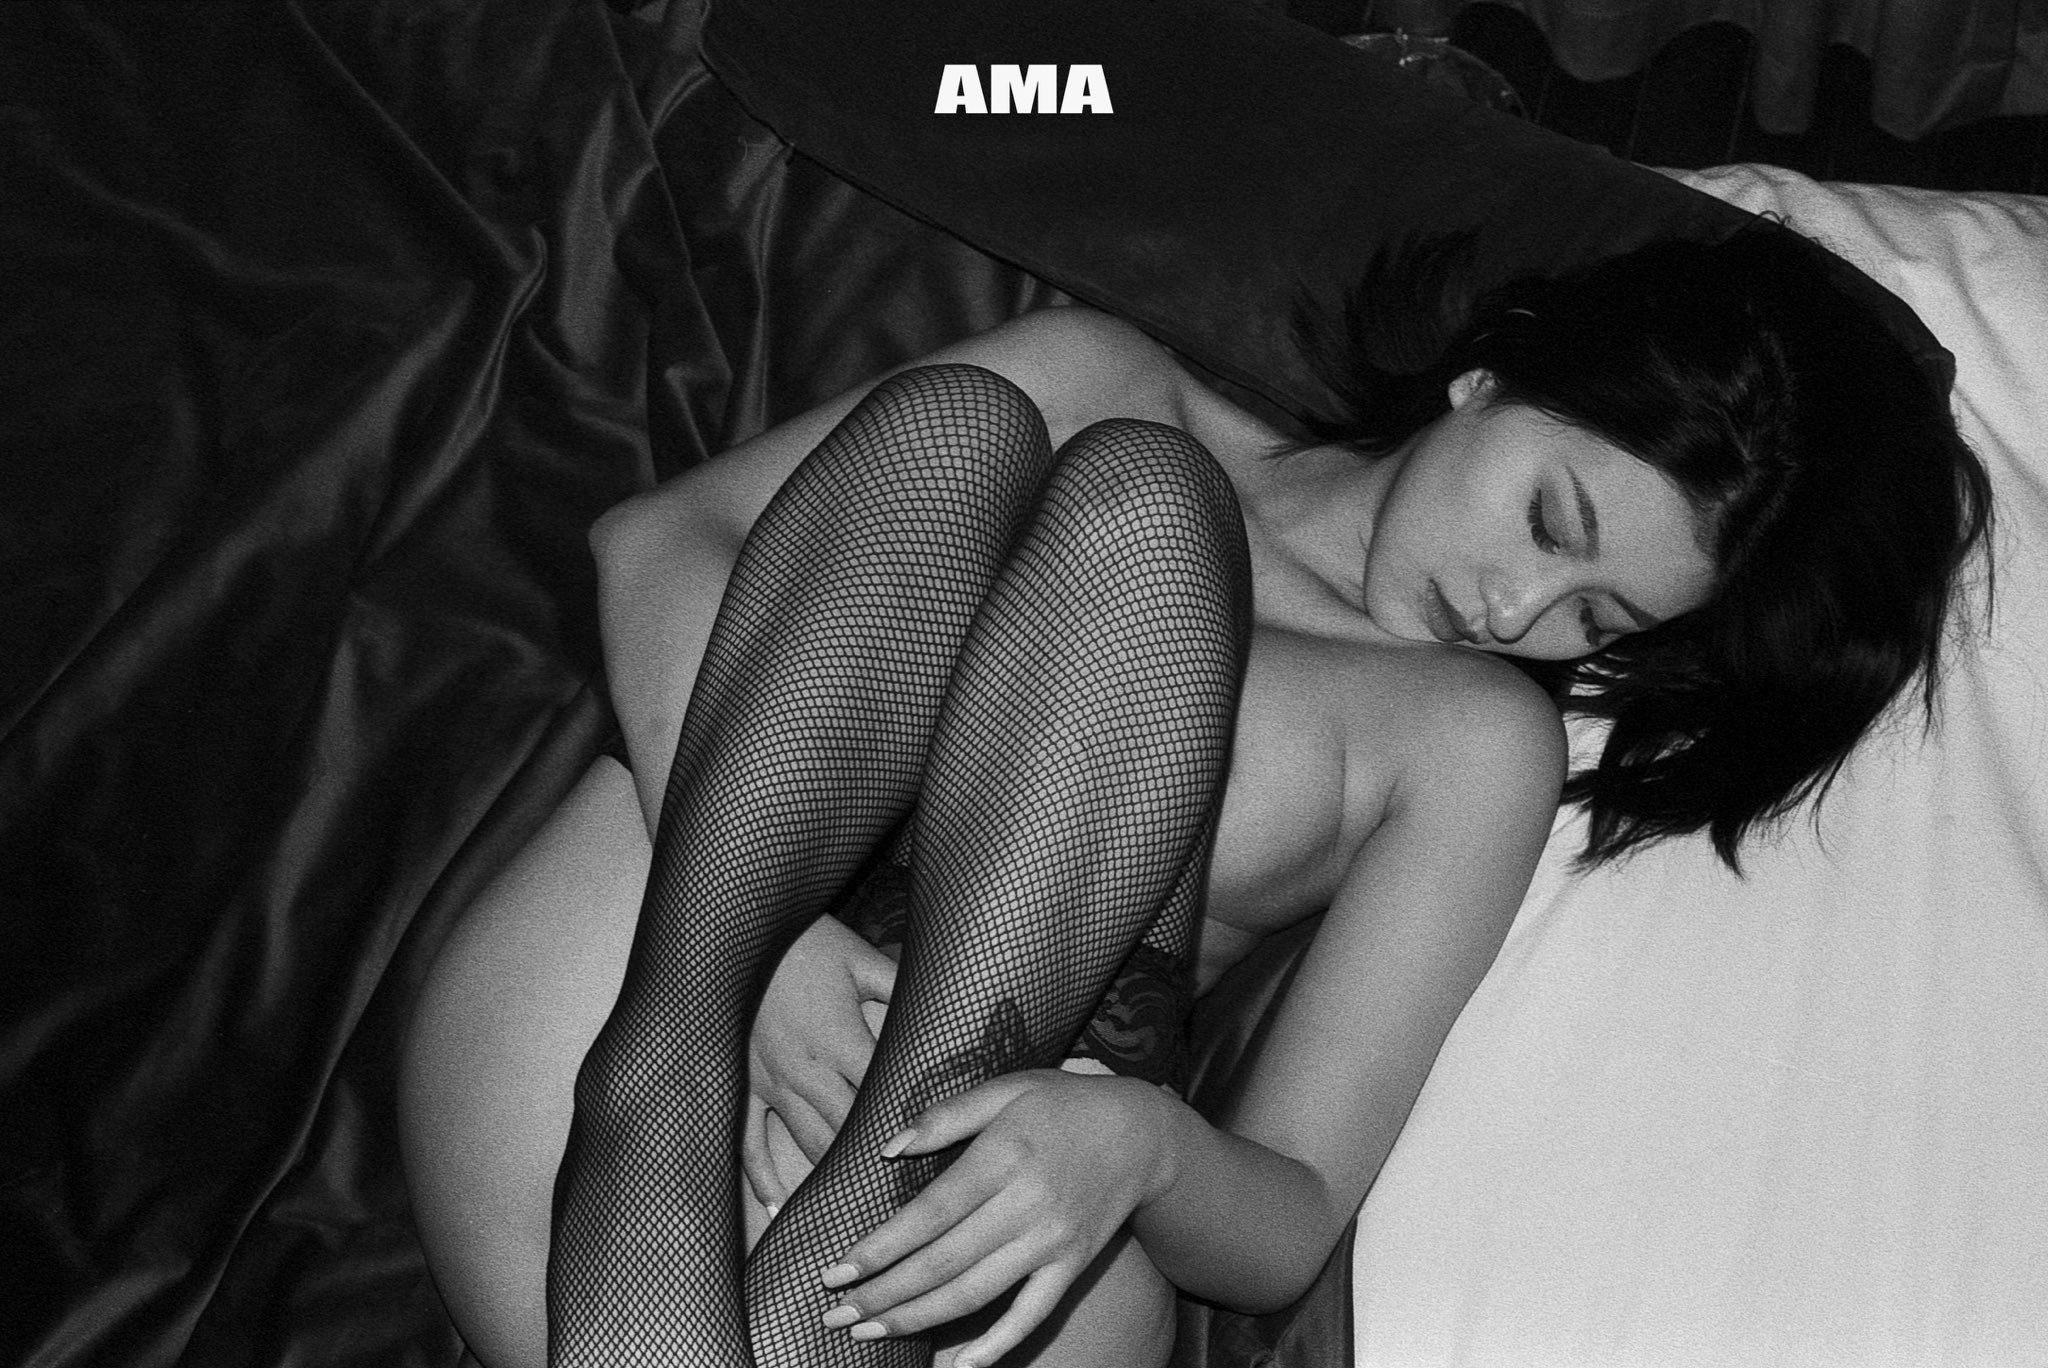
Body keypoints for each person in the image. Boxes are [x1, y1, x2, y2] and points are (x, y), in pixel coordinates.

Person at [397, 226, 1990, 1368]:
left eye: (1599, 619)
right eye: (1549, 521)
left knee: (1140, 535)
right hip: (691, 950)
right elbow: (658, 546)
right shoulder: (1107, 377)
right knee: (1018, 453)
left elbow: (1292, 1211)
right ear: (1487, 379)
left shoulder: (1464, 740)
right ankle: (685, 1025)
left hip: (1003, 1143)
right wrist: (778, 938)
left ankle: (793, 1167)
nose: (1518, 609)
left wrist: (1142, 1149)